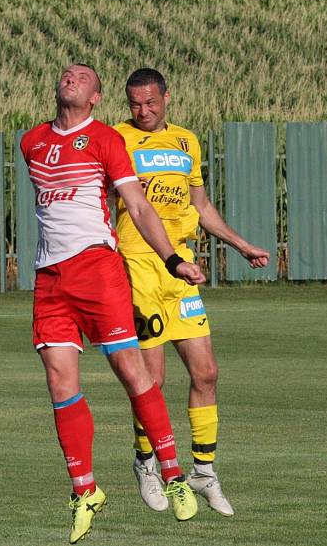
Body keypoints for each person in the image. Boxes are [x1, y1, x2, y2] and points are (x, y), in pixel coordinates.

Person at [20, 63, 205, 544]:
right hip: (49, 278)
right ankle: (85, 490)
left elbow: (138, 206)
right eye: (64, 74)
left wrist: (171, 259)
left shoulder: (105, 139)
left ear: (96, 96)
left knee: (132, 370)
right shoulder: (33, 141)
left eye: (81, 77)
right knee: (59, 381)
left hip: (98, 270)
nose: (69, 78)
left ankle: (173, 475)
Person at [113, 68, 271, 517]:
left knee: (206, 373)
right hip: (138, 265)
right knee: (153, 379)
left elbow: (200, 206)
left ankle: (203, 471)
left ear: (166, 97)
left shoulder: (187, 142)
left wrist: (241, 245)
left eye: (150, 103)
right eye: (135, 104)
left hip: (181, 268)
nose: (142, 112)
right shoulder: (115, 140)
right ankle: (147, 463)